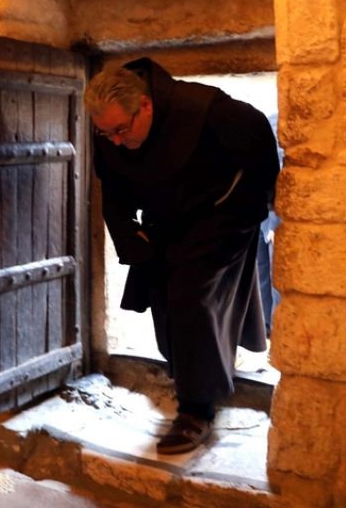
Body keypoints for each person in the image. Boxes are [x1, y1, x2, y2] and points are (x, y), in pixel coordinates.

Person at [85, 58, 280, 455]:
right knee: (165, 297)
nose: (116, 141)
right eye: (106, 134)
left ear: (147, 106)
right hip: (167, 223)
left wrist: (251, 208)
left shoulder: (206, 111)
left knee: (192, 297)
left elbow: (261, 146)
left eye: (122, 129)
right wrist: (126, 232)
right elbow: (112, 185)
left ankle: (197, 410)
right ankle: (195, 377)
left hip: (221, 218)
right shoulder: (112, 134)